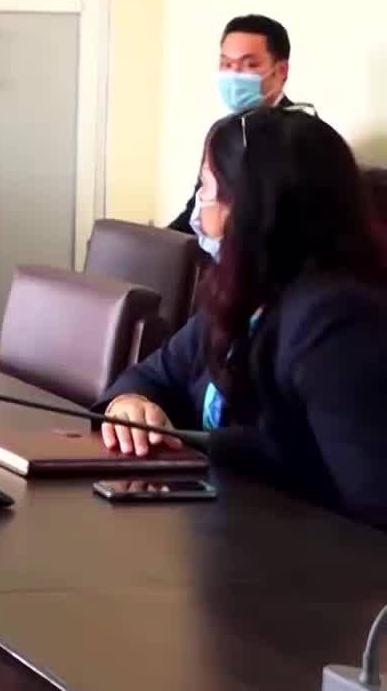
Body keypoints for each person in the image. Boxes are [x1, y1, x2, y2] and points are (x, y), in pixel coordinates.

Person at [100, 106, 387, 531]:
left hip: (298, 560)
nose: (199, 210)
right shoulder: (241, 293)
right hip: (219, 538)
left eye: (206, 188)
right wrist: (131, 403)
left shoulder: (335, 322)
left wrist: (230, 450)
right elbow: (154, 374)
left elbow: (372, 511)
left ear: (250, 210)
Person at [169, 14, 295, 235]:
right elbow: (196, 211)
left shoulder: (303, 135)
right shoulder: (222, 131)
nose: (234, 75)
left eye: (250, 64)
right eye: (226, 64)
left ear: (281, 71)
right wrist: (157, 242)